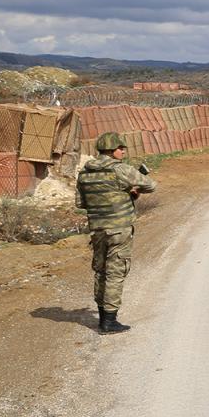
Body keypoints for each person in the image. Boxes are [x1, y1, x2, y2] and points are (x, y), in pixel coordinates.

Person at [76, 132, 157, 334]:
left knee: (101, 271)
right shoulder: (121, 170)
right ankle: (109, 322)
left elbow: (81, 203)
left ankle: (102, 317)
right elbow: (151, 185)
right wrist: (132, 190)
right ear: (111, 150)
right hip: (119, 229)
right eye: (121, 149)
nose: (123, 152)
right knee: (115, 272)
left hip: (97, 230)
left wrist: (119, 194)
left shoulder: (84, 173)